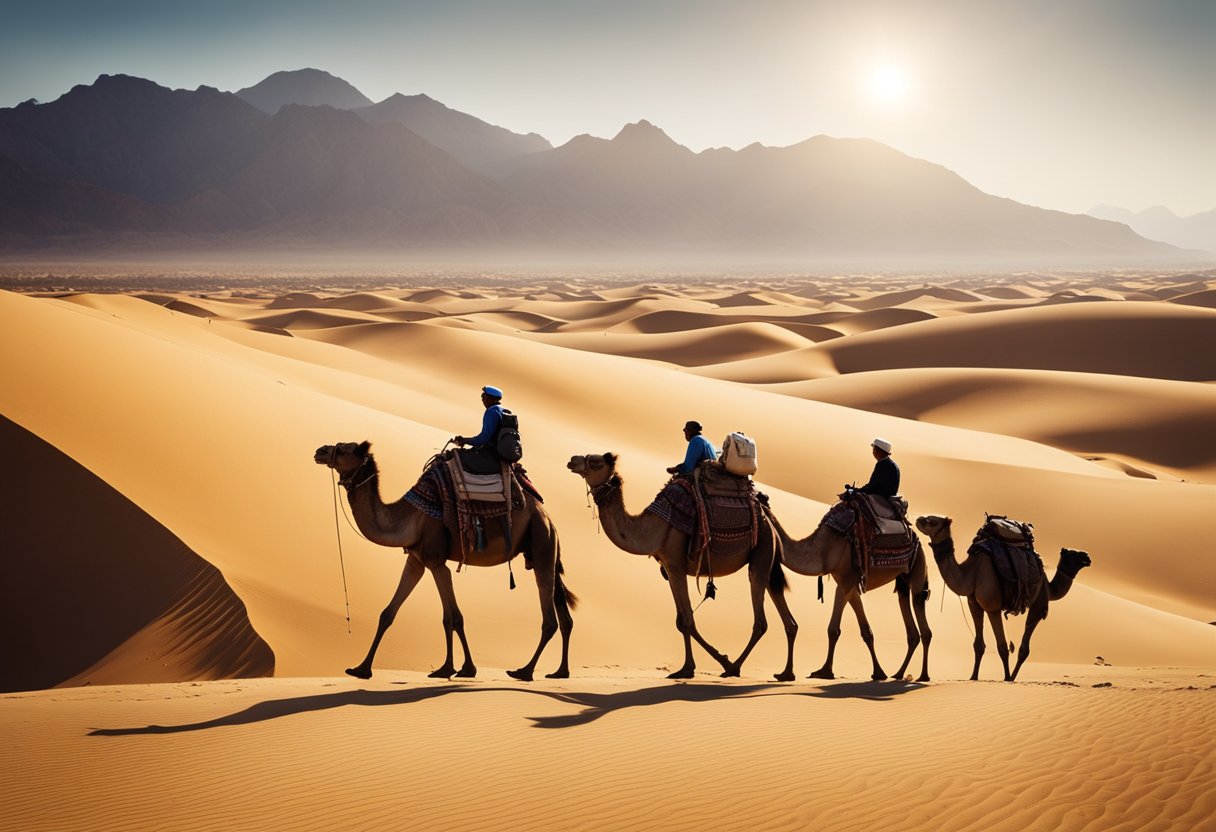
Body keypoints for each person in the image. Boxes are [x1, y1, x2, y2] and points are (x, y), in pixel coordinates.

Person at [453, 385, 507, 472]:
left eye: (483, 396)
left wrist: (466, 441)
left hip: (492, 453)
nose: (482, 400)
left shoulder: (492, 411)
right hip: (501, 453)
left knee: (457, 461)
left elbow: (484, 438)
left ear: (488, 398)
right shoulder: (504, 410)